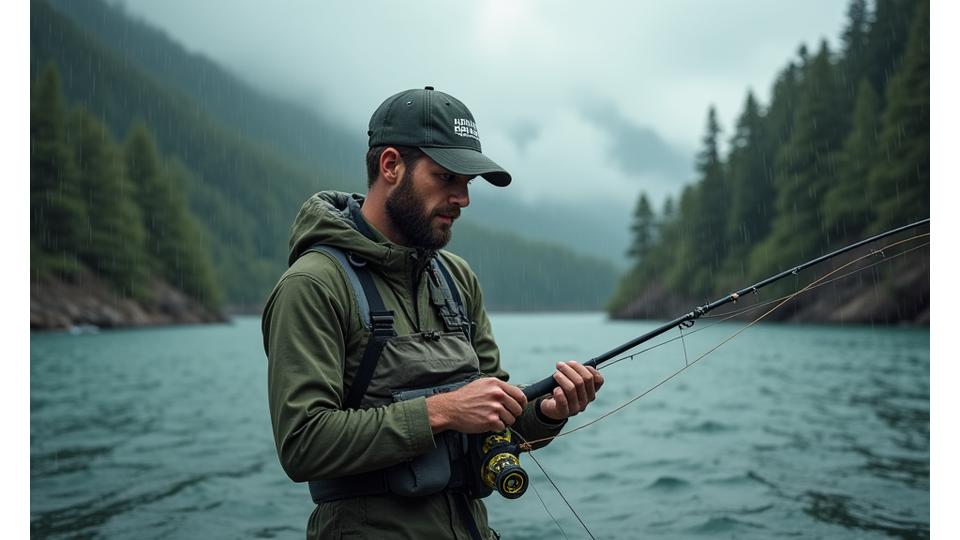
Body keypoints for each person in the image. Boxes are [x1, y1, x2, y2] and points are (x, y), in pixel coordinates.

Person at [262, 86, 604, 539]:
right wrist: (441, 411)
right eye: (446, 177)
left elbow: (495, 428)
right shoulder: (314, 285)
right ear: (390, 166)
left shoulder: (457, 279)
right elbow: (303, 444)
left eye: (467, 184)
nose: (462, 198)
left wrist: (549, 413)